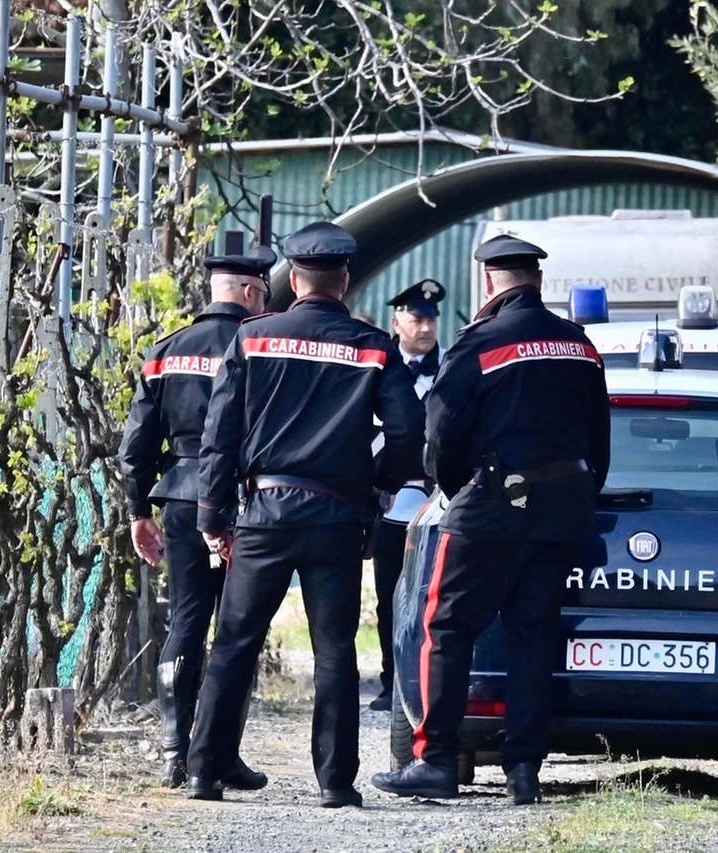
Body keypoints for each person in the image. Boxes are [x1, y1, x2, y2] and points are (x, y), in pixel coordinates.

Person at [186, 222, 425, 808]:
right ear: (343, 281)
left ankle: (204, 772)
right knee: (336, 651)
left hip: (264, 512)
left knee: (235, 643)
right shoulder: (373, 345)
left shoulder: (254, 337)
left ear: (293, 280)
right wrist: (382, 489)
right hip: (337, 519)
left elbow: (219, 437)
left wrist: (214, 517)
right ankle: (335, 783)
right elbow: (408, 429)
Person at [371, 235, 610, 805]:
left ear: (488, 283)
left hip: (494, 502)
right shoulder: (580, 344)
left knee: (444, 628)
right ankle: (523, 770)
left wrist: (458, 491)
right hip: (563, 508)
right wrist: (576, 493)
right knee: (533, 635)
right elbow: (599, 437)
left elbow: (441, 434)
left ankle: (435, 761)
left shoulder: (479, 343)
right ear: (537, 282)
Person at [118, 246, 276, 791]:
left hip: (181, 498)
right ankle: (220, 753)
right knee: (236, 631)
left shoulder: (165, 352)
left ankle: (172, 749)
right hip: (246, 499)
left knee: (187, 619)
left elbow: (135, 447)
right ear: (253, 291)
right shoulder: (262, 346)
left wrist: (139, 511)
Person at [368, 278, 447, 712]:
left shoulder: (453, 367)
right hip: (389, 500)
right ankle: (391, 680)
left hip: (439, 500)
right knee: (390, 597)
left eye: (431, 319)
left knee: (435, 599)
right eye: (417, 318)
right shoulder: (377, 368)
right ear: (396, 321)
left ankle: (429, 684)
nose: (425, 327)